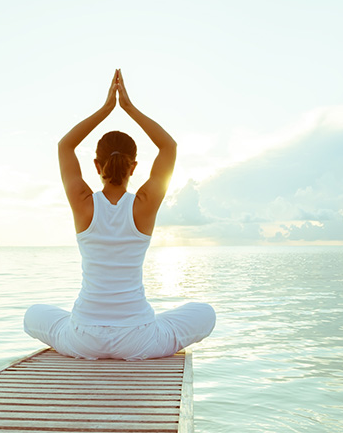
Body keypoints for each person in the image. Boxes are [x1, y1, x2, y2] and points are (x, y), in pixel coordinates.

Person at [24, 69, 215, 360]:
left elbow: (65, 145)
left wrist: (106, 109)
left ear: (97, 165)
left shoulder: (83, 202)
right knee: (205, 313)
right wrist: (128, 107)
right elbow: (169, 146)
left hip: (83, 337)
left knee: (33, 314)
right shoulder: (143, 204)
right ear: (134, 167)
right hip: (138, 339)